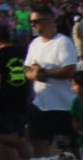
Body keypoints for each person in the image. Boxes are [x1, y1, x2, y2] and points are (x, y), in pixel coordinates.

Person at [22, 9, 79, 151]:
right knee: (39, 147)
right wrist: (34, 75)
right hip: (39, 104)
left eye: (36, 21)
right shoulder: (34, 43)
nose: (33, 25)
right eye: (31, 22)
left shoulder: (63, 42)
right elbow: (26, 69)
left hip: (62, 106)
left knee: (67, 150)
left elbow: (70, 70)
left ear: (49, 21)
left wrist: (45, 73)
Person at [0, 22, 31, 136]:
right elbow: (29, 78)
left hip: (3, 105)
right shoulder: (23, 51)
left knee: (7, 141)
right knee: (21, 138)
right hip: (22, 101)